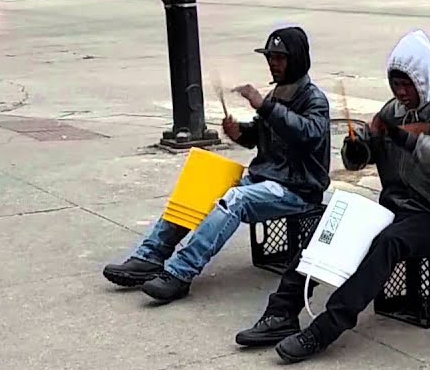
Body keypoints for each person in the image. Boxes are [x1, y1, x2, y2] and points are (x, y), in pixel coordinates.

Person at [235, 30, 430, 363]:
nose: (402, 93)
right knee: (330, 222)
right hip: (400, 209)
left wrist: (412, 141)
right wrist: (358, 148)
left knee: (389, 243)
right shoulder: (393, 111)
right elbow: (363, 154)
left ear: (424, 79)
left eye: (408, 85)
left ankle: (324, 329)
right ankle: (281, 312)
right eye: (396, 85)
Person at [102, 27, 331, 304]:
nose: (273, 63)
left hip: (297, 189)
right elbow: (259, 136)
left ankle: (181, 272)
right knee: (200, 186)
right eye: (270, 57)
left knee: (236, 199)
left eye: (280, 58)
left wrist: (264, 106)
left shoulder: (313, 99)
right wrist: (239, 132)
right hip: (266, 180)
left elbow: (309, 134)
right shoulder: (277, 95)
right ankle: (150, 256)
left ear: (296, 59)